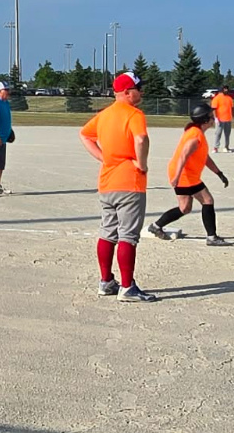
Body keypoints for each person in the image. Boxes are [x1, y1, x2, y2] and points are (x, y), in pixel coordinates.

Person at [79, 72, 155, 302]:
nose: (141, 92)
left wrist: (104, 158)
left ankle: (105, 282)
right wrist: (142, 164)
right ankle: (127, 287)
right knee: (128, 236)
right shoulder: (134, 114)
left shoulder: (104, 115)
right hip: (129, 183)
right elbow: (141, 139)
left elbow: (85, 135)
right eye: (138, 88)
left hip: (107, 182)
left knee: (107, 233)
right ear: (127, 92)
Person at [148, 104, 232, 246]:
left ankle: (156, 226)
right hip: (184, 175)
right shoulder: (195, 135)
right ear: (205, 120)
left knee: (185, 208)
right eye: (212, 117)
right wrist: (176, 177)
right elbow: (183, 156)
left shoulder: (197, 132)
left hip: (186, 174)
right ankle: (212, 237)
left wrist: (219, 173)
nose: (214, 119)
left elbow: (204, 157)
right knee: (207, 200)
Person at [210, 87, 234, 153]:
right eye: (225, 89)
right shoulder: (217, 98)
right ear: (222, 90)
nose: (226, 90)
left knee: (227, 134)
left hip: (228, 119)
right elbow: (214, 108)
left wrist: (233, 116)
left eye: (227, 89)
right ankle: (216, 147)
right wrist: (215, 118)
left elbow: (232, 108)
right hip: (220, 119)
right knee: (218, 133)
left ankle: (226, 147)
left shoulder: (229, 98)